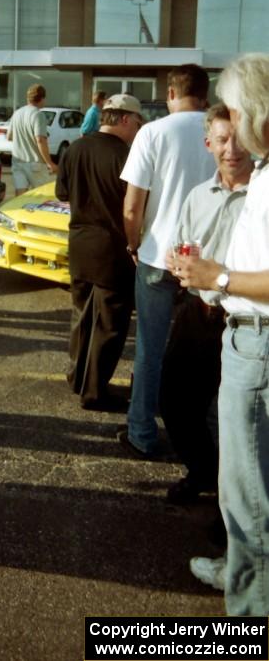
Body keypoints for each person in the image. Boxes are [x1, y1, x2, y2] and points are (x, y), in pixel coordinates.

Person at [175, 53, 269, 616]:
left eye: (236, 110)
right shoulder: (262, 171)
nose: (230, 127)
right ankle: (242, 573)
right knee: (243, 487)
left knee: (249, 494)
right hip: (245, 335)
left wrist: (222, 277)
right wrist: (212, 273)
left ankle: (250, 614)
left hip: (258, 343)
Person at [119, 64, 214, 458]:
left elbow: (132, 204)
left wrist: (133, 243)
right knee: (206, 357)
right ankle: (204, 441)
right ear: (206, 97)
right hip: (208, 264)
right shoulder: (222, 134)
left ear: (170, 93)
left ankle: (141, 432)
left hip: (158, 255)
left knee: (150, 349)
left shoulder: (152, 132)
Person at [160, 103, 252, 504]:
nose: (231, 149)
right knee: (175, 403)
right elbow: (180, 242)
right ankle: (202, 472)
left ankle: (231, 512)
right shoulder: (199, 195)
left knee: (237, 423)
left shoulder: (262, 195)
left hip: (244, 316)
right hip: (198, 311)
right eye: (221, 139)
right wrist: (174, 261)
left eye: (238, 138)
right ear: (208, 143)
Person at [56, 94, 143, 410]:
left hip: (79, 244)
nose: (138, 128)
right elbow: (134, 207)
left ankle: (76, 376)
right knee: (109, 324)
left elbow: (62, 193)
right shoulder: (128, 155)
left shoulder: (75, 147)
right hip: (112, 249)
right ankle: (94, 392)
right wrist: (134, 245)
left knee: (81, 314)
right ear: (123, 119)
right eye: (136, 122)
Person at [6, 84, 58, 196]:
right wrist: (50, 163)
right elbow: (40, 140)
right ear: (42, 98)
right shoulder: (38, 114)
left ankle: (20, 213)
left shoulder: (17, 113)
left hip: (18, 162)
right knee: (42, 196)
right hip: (35, 164)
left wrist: (23, 136)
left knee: (20, 196)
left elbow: (9, 136)